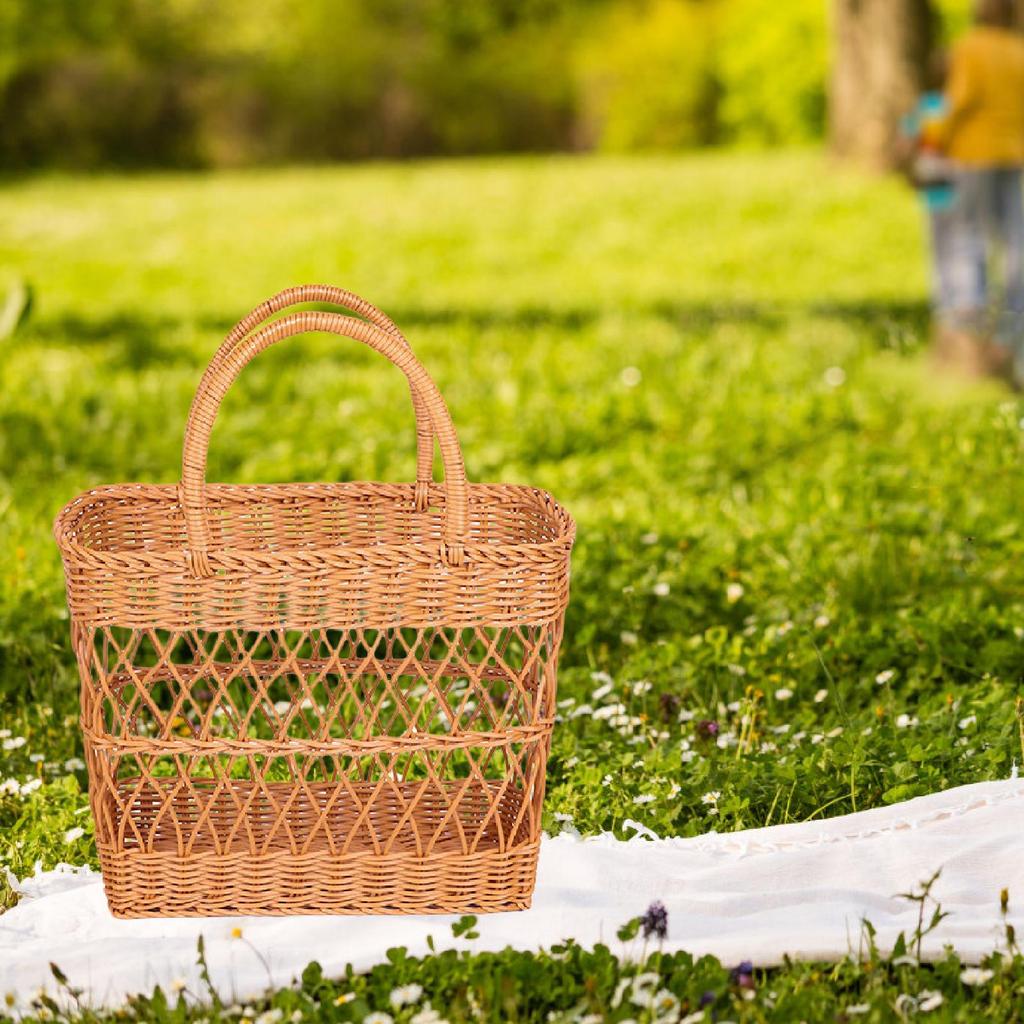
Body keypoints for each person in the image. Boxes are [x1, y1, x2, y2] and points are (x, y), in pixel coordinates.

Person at [939, 0, 1024, 383]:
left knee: (968, 230)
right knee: (1013, 235)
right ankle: (1014, 308)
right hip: (1013, 150)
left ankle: (969, 306)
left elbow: (962, 97)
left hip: (974, 151)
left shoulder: (970, 47)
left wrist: (934, 138)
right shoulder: (1018, 50)